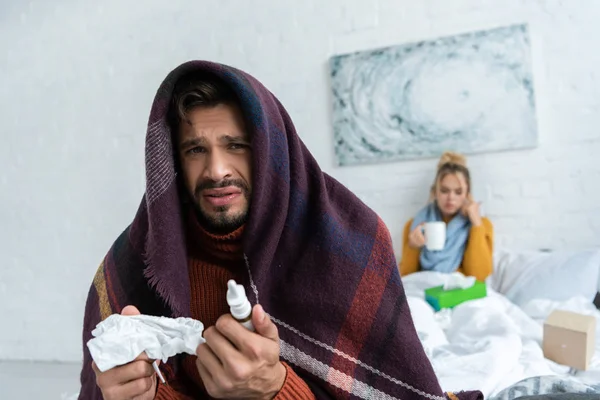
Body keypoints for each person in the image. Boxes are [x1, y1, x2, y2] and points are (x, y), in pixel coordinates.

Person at [78, 61, 483, 400]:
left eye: (237, 145)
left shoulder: (353, 239)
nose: (217, 170)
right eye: (196, 150)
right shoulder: (134, 261)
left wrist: (276, 387)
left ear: (272, 151)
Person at [399, 152, 494, 281]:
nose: (451, 198)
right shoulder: (415, 225)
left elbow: (479, 275)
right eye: (444, 191)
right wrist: (412, 246)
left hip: (461, 293)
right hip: (426, 290)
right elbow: (407, 278)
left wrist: (476, 224)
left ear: (467, 195)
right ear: (435, 192)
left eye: (458, 192)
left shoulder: (481, 225)